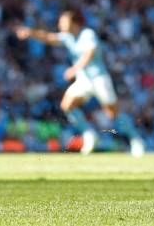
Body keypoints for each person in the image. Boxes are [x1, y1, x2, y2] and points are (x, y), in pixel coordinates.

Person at [15, 9, 144, 157]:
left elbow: (89, 54)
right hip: (84, 80)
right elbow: (49, 37)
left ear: (74, 23)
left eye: (63, 22)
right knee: (67, 105)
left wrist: (75, 68)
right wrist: (31, 33)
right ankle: (89, 134)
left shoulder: (87, 34)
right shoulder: (68, 37)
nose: (60, 25)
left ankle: (135, 138)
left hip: (99, 78)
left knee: (112, 113)